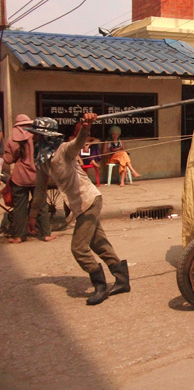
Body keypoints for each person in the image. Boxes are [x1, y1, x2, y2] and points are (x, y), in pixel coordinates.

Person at [26, 114, 130, 305]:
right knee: (98, 243)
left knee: (79, 248)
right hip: (78, 205)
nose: (33, 139)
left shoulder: (64, 150)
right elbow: (40, 191)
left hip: (89, 200)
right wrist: (32, 216)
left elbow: (78, 143)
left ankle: (100, 286)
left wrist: (86, 127)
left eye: (36, 136)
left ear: (45, 137)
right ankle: (123, 280)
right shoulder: (42, 162)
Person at [3, 114, 55, 244]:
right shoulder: (36, 136)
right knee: (41, 204)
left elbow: (8, 160)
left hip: (20, 178)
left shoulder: (12, 140)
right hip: (38, 176)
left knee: (19, 206)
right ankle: (46, 234)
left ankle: (19, 236)